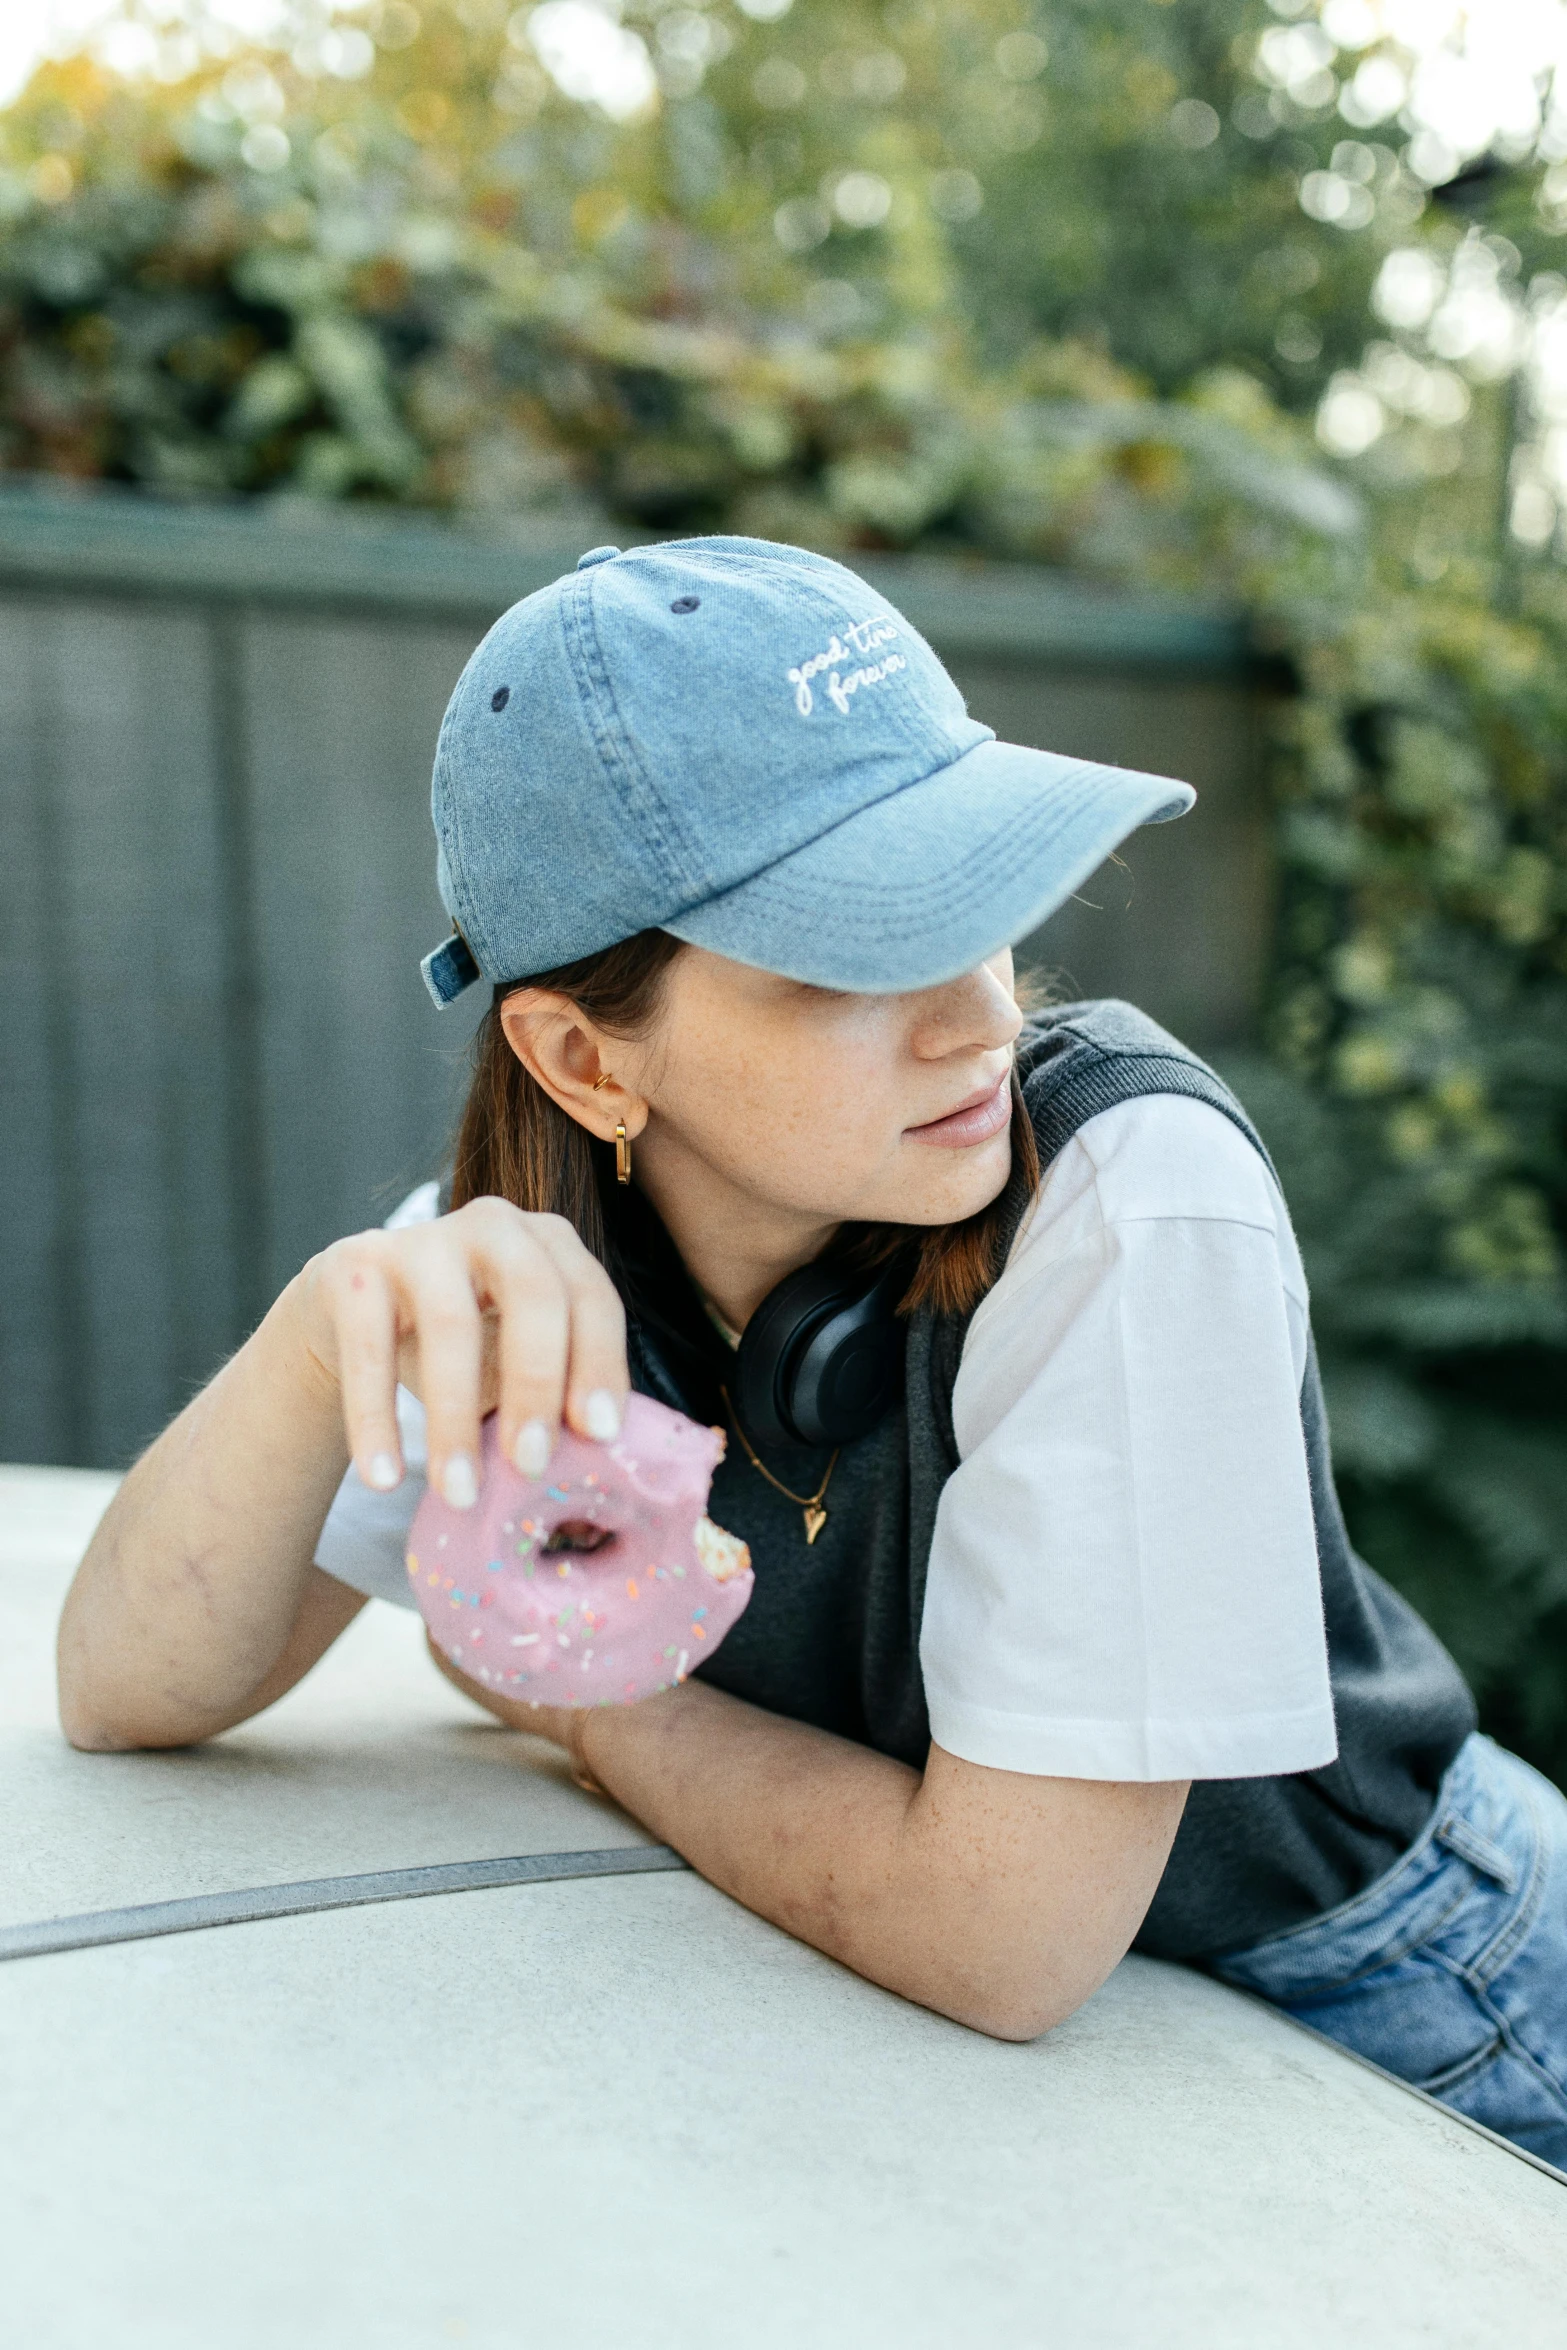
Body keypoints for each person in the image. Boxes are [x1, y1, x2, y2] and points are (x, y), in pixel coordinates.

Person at [58, 537, 1567, 2168]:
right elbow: (124, 1689)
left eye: (979, 901)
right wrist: (317, 1335)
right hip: (1095, 2108)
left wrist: (603, 1714)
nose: (980, 1015)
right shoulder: (526, 1266)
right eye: (853, 949)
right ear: (581, 1055)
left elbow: (1001, 1942)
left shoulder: (1131, 1198)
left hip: (1438, 2000)